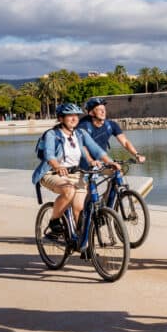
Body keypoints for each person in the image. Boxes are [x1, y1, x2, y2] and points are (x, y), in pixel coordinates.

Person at [33, 103, 118, 240]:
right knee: (69, 191)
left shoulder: (79, 133)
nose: (74, 119)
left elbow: (96, 149)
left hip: (75, 174)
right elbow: (49, 155)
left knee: (79, 207)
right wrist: (57, 167)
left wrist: (109, 162)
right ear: (61, 119)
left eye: (76, 116)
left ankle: (80, 241)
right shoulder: (52, 134)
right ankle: (54, 221)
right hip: (52, 174)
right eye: (69, 116)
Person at [78, 97, 146, 163]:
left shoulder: (110, 125)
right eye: (99, 109)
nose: (103, 111)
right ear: (91, 113)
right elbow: (82, 147)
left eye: (104, 109)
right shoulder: (84, 126)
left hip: (102, 159)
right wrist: (91, 161)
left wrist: (137, 155)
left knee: (117, 171)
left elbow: (125, 142)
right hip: (85, 161)